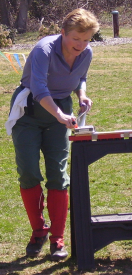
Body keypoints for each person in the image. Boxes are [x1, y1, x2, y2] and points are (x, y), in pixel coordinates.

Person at [6, 8, 99, 261]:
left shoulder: (87, 52)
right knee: (28, 172)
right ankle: (39, 231)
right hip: (29, 112)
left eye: (86, 39)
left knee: (59, 174)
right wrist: (59, 115)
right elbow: (38, 87)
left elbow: (81, 76)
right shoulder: (43, 50)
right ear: (62, 33)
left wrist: (82, 95)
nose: (80, 45)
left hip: (61, 113)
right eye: (75, 38)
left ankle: (57, 238)